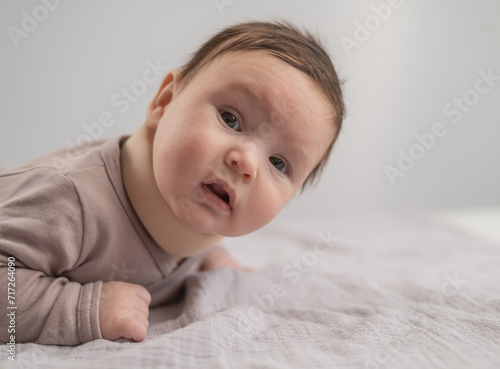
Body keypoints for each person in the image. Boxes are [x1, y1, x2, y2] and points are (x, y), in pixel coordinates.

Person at [0, 21, 344, 345]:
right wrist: (83, 308)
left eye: (279, 163)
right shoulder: (69, 203)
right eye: (231, 119)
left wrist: (207, 257)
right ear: (165, 102)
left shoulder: (194, 203)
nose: (247, 163)